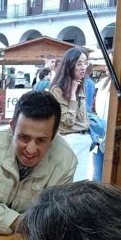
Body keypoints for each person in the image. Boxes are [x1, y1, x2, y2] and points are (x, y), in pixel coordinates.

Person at [0, 91, 76, 235]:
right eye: (24, 138)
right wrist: (23, 223)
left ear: (54, 134)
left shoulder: (66, 162)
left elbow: (53, 219)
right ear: (12, 127)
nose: (31, 149)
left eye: (41, 140)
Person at [49, 46, 92, 181]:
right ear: (69, 65)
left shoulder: (80, 86)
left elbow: (83, 116)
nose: (83, 67)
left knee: (80, 183)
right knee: (68, 184)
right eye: (79, 63)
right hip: (70, 140)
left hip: (83, 140)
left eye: (85, 63)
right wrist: (73, 94)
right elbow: (68, 120)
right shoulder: (57, 90)